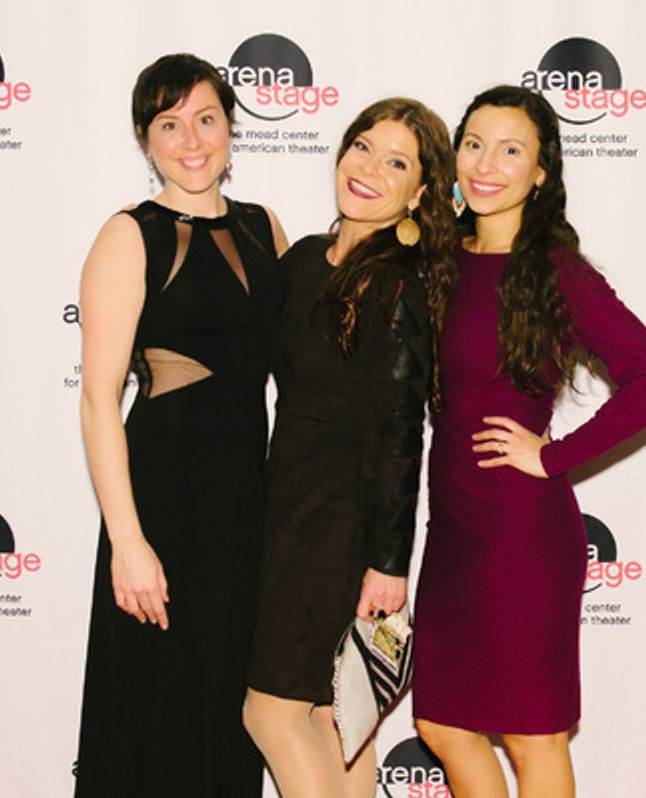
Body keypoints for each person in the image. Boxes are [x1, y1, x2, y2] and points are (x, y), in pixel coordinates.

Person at [412, 85, 646, 797]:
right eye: (474, 144)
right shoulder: (444, 258)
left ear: (541, 172)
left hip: (521, 537)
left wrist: (552, 454)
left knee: (534, 738)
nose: (486, 164)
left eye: (511, 149)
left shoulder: (554, 271)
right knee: (443, 724)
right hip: (454, 533)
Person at [73, 53, 288, 797]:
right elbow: (100, 399)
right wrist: (128, 543)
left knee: (229, 709)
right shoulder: (129, 235)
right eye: (170, 124)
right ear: (145, 138)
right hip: (161, 503)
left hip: (244, 507)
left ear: (231, 127)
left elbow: (301, 371)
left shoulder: (266, 229)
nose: (191, 141)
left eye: (206, 119)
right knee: (155, 708)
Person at [242, 98, 457, 798]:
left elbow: (403, 429)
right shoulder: (305, 259)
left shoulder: (398, 282)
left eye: (396, 163)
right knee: (339, 718)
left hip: (340, 523)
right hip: (288, 500)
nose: (367, 169)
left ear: (420, 195)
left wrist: (388, 563)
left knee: (270, 710)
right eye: (361, 147)